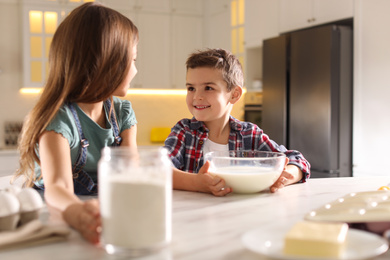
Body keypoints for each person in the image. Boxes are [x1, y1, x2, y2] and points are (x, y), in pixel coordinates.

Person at [13, 2, 139, 244]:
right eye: (132, 60)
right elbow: (58, 187)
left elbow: (129, 172)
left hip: (103, 212)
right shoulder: (58, 120)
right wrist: (78, 215)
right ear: (107, 63)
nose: (135, 70)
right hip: (56, 215)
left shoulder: (122, 114)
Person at [164, 48, 310, 196]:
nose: (197, 96)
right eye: (191, 88)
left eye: (208, 88)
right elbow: (160, 170)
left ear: (234, 95)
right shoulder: (184, 131)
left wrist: (286, 176)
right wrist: (197, 183)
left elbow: (297, 159)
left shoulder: (249, 134)